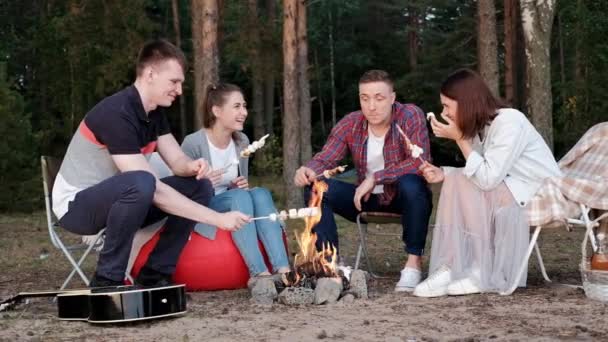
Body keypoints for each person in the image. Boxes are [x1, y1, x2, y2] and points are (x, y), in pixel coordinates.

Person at [52, 39, 250, 288]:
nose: (179, 90)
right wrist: (218, 219)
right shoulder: (117, 113)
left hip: (123, 200)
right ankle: (107, 280)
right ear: (150, 74)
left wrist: (192, 166)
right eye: (174, 82)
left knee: (198, 186)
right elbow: (151, 188)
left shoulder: (154, 113)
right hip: (76, 207)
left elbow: (177, 161)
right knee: (142, 182)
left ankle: (155, 275)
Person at [413, 68, 561, 297]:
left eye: (447, 106)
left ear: (466, 103)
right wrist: (444, 173)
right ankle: (452, 266)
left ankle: (480, 270)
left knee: (463, 183)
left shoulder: (510, 121)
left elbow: (488, 178)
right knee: (455, 181)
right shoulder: (481, 127)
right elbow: (482, 171)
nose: (444, 113)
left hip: (539, 189)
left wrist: (460, 139)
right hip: (509, 186)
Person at [293, 70, 433, 292]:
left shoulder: (410, 116)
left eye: (379, 98)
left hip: (403, 198)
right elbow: (327, 157)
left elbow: (421, 162)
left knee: (411, 182)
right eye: (365, 98)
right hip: (364, 199)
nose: (371, 106)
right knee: (316, 187)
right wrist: (309, 170)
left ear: (392, 98)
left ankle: (413, 264)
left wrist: (376, 177)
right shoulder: (352, 123)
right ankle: (329, 265)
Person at [181, 83, 290, 278]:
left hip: (234, 200)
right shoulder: (193, 143)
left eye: (244, 106)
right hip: (204, 206)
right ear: (217, 111)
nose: (244, 112)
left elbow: (241, 184)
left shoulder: (242, 141)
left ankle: (283, 270)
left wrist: (239, 184)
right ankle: (259, 274)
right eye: (237, 106)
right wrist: (203, 182)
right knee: (240, 198)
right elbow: (181, 191)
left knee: (261, 193)